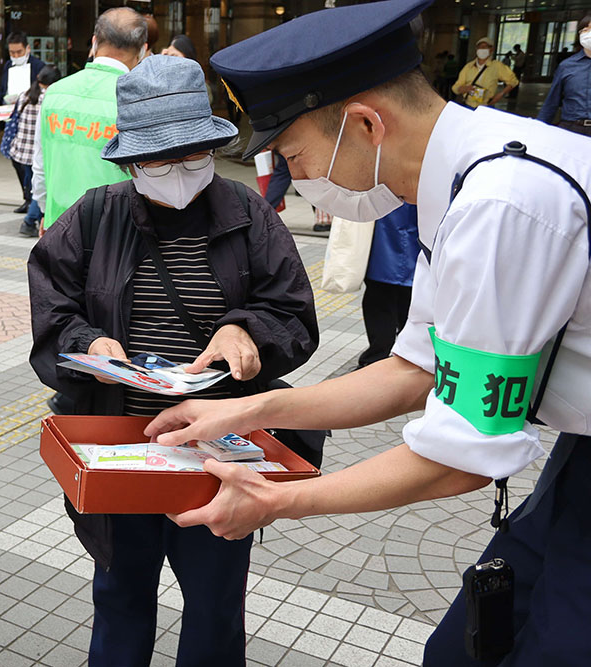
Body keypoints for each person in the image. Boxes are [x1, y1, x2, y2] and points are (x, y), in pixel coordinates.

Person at [147, 0, 591, 665]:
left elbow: (459, 456)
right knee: (463, 647)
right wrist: (251, 407)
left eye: (293, 155)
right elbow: (414, 369)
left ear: (364, 124)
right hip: (579, 453)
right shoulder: (462, 175)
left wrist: (276, 500)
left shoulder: (500, 203)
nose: (294, 183)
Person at [29, 55, 318, 667]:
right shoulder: (95, 215)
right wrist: (87, 344)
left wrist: (248, 331)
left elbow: (294, 315)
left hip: (219, 456)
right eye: (160, 158)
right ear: (132, 159)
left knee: (215, 606)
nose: (180, 171)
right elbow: (52, 309)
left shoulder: (249, 213)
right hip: (123, 448)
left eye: (193, 155)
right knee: (119, 595)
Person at [31, 7, 147, 231]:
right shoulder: (138, 101)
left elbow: (40, 168)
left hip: (60, 228)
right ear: (142, 51)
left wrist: (46, 211)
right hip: (117, 235)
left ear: (94, 43)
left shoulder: (54, 93)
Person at [0, 31, 45, 213]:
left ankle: (33, 199)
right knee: (15, 159)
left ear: (28, 48)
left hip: (31, 119)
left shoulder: (38, 66)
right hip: (11, 116)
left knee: (31, 162)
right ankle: (27, 197)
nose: (16, 56)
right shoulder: (8, 66)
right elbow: (4, 90)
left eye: (19, 52)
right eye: (12, 53)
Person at [357, 203, 418, 368]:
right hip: (416, 239)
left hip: (382, 236)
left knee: (380, 300)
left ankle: (377, 357)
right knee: (410, 301)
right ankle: (408, 356)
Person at [10, 65, 62, 237]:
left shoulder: (25, 95)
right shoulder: (51, 98)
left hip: (21, 151)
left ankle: (32, 217)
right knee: (40, 185)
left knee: (32, 185)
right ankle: (29, 221)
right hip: (37, 152)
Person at [537, 15, 591, 137]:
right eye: (585, 30)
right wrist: (538, 129)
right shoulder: (567, 66)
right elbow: (552, 102)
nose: (589, 33)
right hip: (572, 128)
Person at [452, 36, 518, 109]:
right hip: (468, 106)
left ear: (491, 49)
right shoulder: (468, 66)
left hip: (487, 106)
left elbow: (513, 81)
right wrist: (463, 89)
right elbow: (455, 87)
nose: (482, 49)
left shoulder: (496, 66)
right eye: (480, 47)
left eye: (485, 47)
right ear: (476, 49)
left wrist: (500, 94)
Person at [161, 34, 214, 105]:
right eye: (168, 57)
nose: (170, 60)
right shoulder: (164, 82)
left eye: (174, 56)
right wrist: (160, 61)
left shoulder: (201, 86)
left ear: (187, 56)